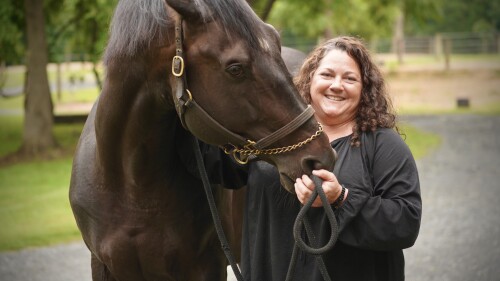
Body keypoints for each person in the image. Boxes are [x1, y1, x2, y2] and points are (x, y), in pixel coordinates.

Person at [239, 36, 422, 281]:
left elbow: (405, 224)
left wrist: (341, 199)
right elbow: (219, 167)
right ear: (309, 80)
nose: (337, 85)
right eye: (327, 75)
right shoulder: (274, 136)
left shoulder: (384, 145)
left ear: (364, 88)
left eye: (350, 78)